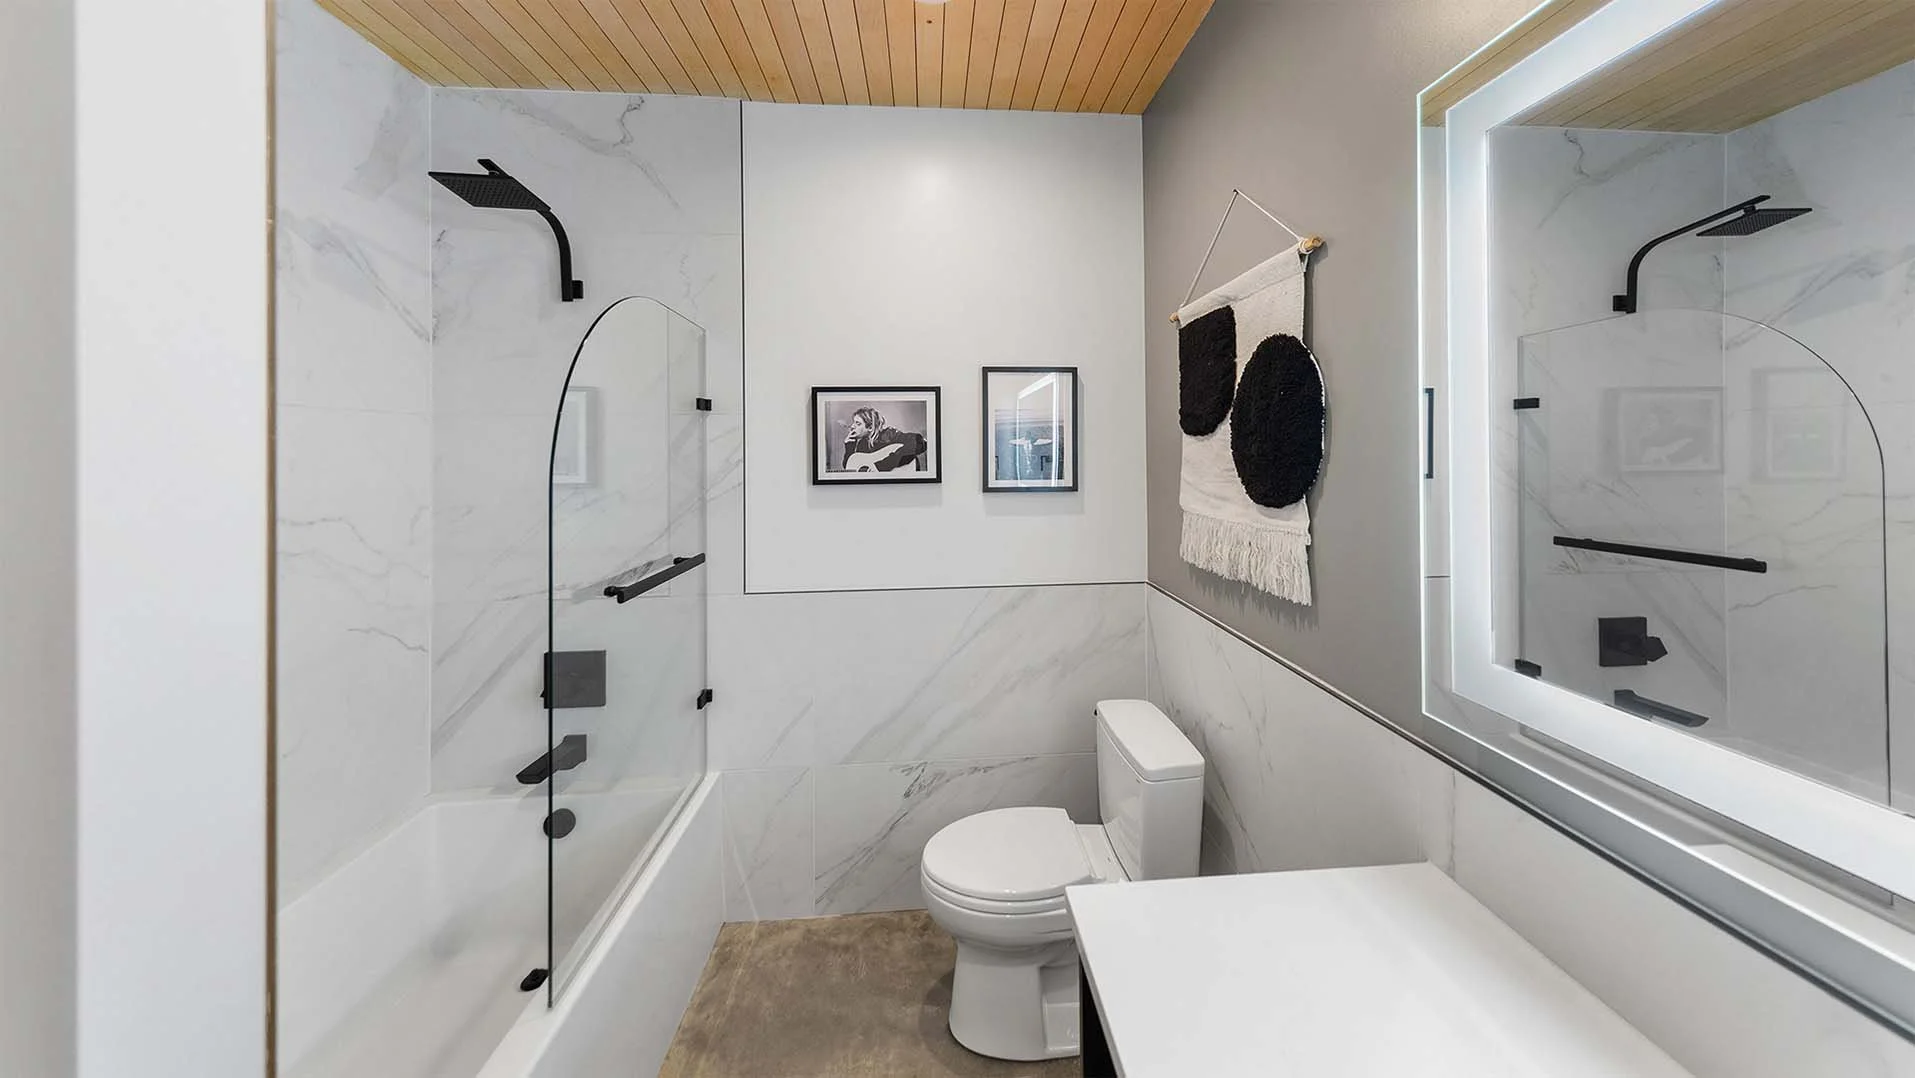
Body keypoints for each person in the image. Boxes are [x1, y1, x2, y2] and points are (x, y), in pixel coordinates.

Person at [839, 406, 926, 472]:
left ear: (870, 427)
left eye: (858, 423)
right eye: (853, 422)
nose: (852, 426)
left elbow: (920, 443)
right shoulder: (863, 443)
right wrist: (849, 446)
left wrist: (881, 466)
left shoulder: (889, 434)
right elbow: (850, 468)